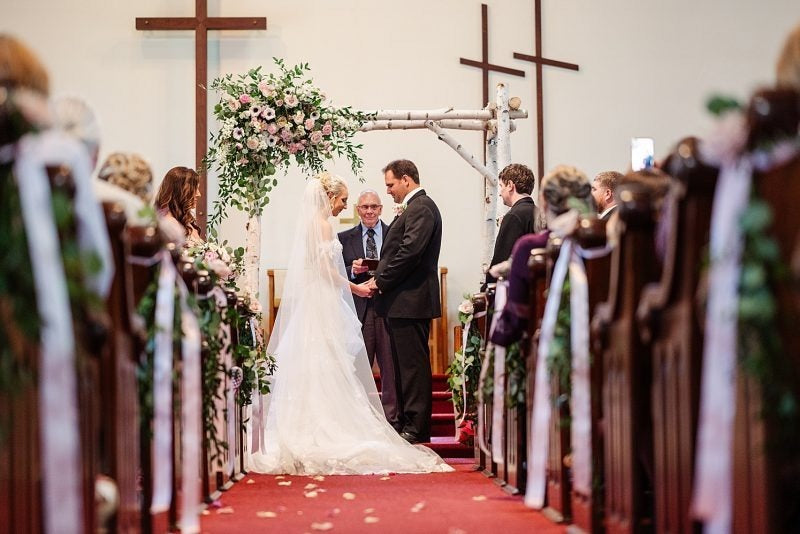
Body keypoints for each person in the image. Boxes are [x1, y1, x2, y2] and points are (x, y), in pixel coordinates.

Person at [246, 173, 451, 475]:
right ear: (330, 197)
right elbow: (324, 271)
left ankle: (307, 429)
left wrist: (358, 276)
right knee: (327, 363)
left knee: (317, 365)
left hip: (319, 301)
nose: (345, 206)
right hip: (326, 299)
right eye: (343, 200)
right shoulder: (325, 225)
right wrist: (356, 287)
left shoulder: (313, 225)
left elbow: (322, 268)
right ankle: (324, 430)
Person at [366, 159, 443, 445]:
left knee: (412, 367)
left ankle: (417, 426)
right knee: (402, 367)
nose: (388, 191)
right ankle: (407, 422)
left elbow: (410, 251)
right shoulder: (414, 208)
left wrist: (381, 280)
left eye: (390, 184)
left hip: (412, 300)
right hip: (403, 301)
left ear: (406, 180)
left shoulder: (422, 207)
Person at [491, 164, 594, 347]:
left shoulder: (530, 246)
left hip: (547, 340)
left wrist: (496, 337)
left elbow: (514, 323)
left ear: (545, 203)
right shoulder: (605, 241)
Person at [337, 189, 399, 430]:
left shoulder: (394, 232)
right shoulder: (344, 238)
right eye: (365, 207)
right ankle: (359, 422)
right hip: (358, 309)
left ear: (381, 209)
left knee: (390, 367)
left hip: (387, 306)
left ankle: (392, 420)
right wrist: (352, 270)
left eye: (374, 206)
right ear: (357, 209)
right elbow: (334, 270)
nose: (370, 211)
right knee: (357, 366)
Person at [487, 163, 538, 283]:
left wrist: (486, 289)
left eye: (501, 186)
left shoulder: (514, 216)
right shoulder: (538, 212)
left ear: (510, 185)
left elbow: (501, 258)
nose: (500, 193)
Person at [154, 166, 203, 246]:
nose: (199, 194)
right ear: (180, 192)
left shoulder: (185, 221)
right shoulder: (169, 224)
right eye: (194, 189)